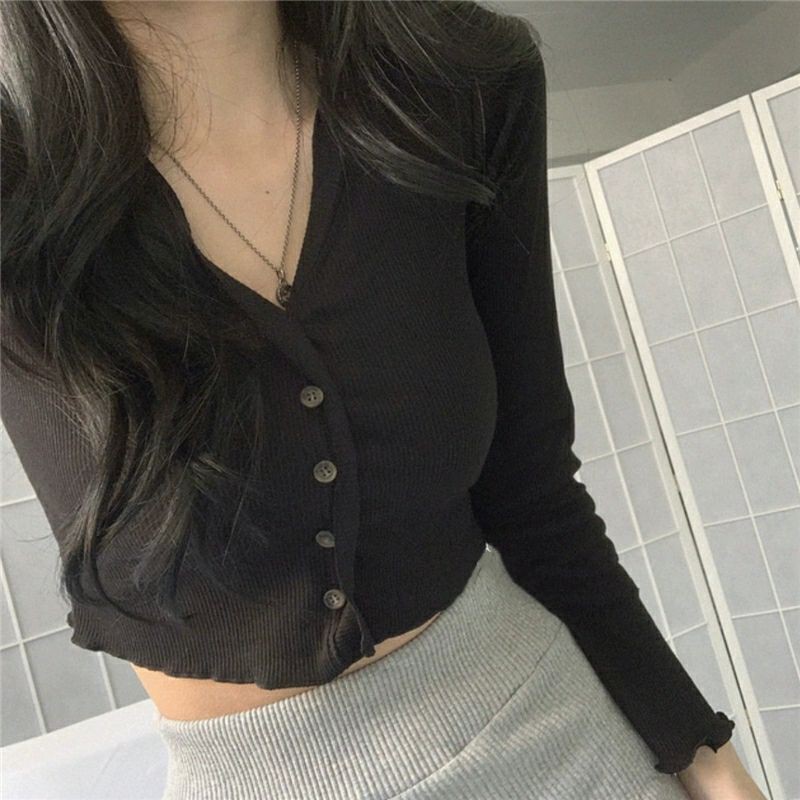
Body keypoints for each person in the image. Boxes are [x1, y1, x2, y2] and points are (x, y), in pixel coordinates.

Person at [0, 2, 762, 798]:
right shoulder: (19, 188)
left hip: (567, 747)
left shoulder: (461, 87)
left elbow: (534, 494)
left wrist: (708, 761)